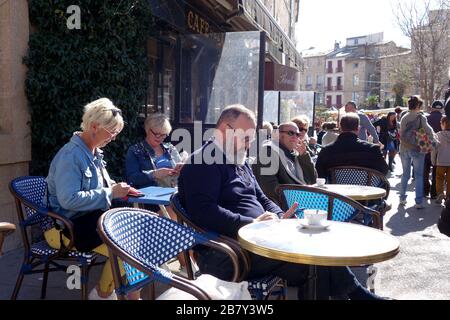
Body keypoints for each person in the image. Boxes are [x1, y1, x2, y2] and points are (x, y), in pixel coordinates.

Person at [178, 104, 387, 300]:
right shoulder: (203, 161)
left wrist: (279, 216)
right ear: (225, 129)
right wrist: (251, 224)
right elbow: (204, 212)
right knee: (314, 260)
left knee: (316, 256)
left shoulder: (236, 158)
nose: (250, 142)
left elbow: (261, 197)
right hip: (226, 253)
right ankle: (359, 295)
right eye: (246, 136)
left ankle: (357, 294)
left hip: (255, 241)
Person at [44, 98, 137, 300]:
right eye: (112, 133)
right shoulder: (71, 156)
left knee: (134, 240)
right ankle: (103, 295)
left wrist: (117, 188)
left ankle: (108, 293)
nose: (113, 139)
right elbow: (69, 200)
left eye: (116, 134)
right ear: (94, 126)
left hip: (88, 222)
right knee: (127, 250)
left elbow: (98, 187)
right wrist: (111, 193)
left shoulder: (93, 153)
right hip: (66, 230)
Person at [252, 122, 317, 203]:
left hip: (302, 198)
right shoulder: (268, 153)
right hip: (286, 206)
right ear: (278, 135)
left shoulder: (295, 154)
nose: (294, 136)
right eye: (290, 133)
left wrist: (304, 155)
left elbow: (313, 180)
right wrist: (300, 199)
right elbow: (269, 190)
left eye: (297, 134)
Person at [315, 113, 389, 179]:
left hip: (336, 192)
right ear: (358, 129)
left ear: (340, 128)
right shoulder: (372, 149)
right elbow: (384, 170)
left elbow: (319, 174)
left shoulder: (326, 151)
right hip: (365, 191)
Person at [126, 113, 183, 190]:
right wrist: (154, 174)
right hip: (149, 198)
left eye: (163, 135)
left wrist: (182, 169)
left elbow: (182, 174)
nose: (160, 138)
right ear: (147, 130)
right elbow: (131, 179)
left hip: (173, 195)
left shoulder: (170, 148)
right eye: (157, 134)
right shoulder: (135, 151)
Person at [398, 96, 436, 209]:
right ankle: (418, 202)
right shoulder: (421, 117)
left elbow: (401, 133)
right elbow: (429, 130)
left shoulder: (403, 117)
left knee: (405, 174)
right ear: (418, 106)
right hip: (417, 149)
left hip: (404, 148)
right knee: (419, 176)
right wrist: (434, 139)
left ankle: (402, 198)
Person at [424, 100, 444, 198]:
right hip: (439, 147)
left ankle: (425, 190)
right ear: (442, 109)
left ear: (432, 108)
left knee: (425, 170)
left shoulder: (425, 118)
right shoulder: (445, 119)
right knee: (436, 171)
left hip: (426, 146)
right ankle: (434, 193)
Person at [431, 116, 450, 204]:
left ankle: (440, 193)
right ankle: (449, 196)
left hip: (441, 161)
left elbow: (434, 149)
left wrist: (433, 160)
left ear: (443, 124)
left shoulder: (438, 135)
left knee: (439, 178)